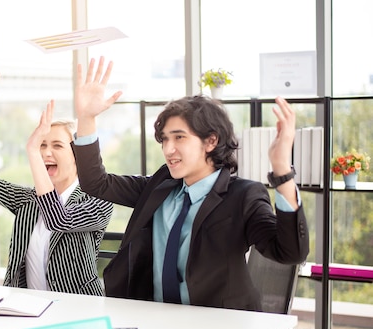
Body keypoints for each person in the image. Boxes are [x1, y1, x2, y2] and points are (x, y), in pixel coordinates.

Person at [70, 56, 309, 311]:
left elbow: (290, 253)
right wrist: (86, 119)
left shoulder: (244, 196)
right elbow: (96, 183)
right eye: (164, 139)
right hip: (157, 320)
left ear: (211, 141)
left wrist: (282, 170)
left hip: (220, 328)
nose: (168, 149)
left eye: (179, 138)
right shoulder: (160, 186)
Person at [0, 60, 113, 296]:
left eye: (57, 145)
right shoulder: (27, 200)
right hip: (25, 309)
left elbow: (60, 219)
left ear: (78, 155)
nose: (46, 152)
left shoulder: (98, 199)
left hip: (78, 311)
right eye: (41, 145)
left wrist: (32, 151)